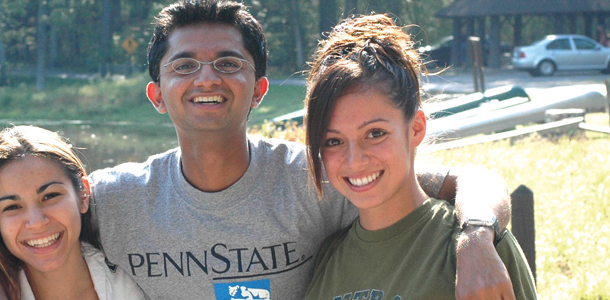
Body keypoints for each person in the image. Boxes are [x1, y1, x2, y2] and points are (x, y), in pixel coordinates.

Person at [86, 1, 517, 299]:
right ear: (156, 94)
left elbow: (469, 181)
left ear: (258, 90)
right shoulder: (117, 199)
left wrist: (477, 238)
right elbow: (32, 221)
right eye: (183, 66)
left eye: (228, 63)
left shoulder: (317, 176)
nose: (206, 79)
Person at [301, 15, 537, 300]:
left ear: (416, 128)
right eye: (333, 141)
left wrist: (476, 240)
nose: (354, 160)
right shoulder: (328, 257)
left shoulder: (477, 249)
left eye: (375, 133)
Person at [0, 126, 147, 300]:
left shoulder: (140, 281)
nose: (36, 221)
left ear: (83, 194)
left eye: (50, 196)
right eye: (12, 207)